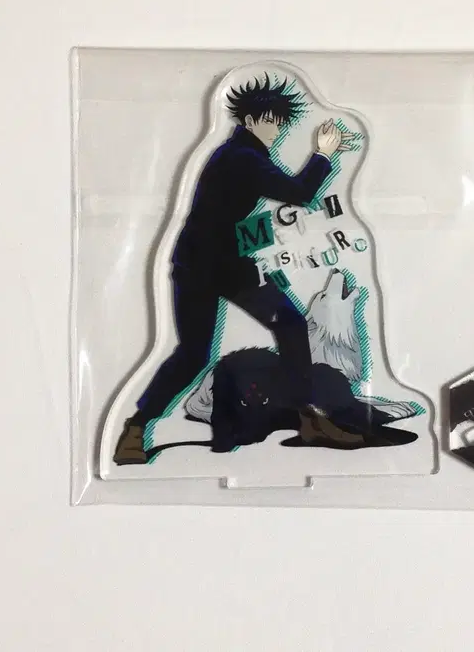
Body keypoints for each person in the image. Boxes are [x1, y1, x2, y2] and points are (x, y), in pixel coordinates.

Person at [113, 75, 360, 463]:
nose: (278, 130)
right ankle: (136, 428)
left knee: (290, 324)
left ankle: (307, 418)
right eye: (273, 122)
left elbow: (231, 216)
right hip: (200, 269)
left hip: (227, 265)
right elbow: (299, 193)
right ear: (251, 120)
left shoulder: (244, 155)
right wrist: (323, 153)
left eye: (281, 123)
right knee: (194, 355)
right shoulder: (242, 158)